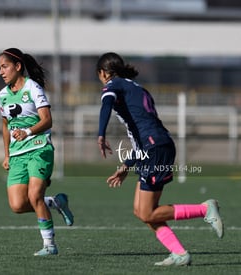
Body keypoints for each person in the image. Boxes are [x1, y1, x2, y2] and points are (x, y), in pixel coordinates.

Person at [95, 52, 224, 266]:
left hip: (154, 149)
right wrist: (127, 165)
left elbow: (106, 105)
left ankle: (205, 209)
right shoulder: (137, 88)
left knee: (147, 211)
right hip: (153, 147)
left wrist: (101, 134)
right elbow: (143, 131)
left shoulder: (113, 85)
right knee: (141, 211)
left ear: (103, 73)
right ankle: (179, 253)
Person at [0, 48, 74, 256]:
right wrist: (7, 154)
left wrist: (28, 131)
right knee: (17, 205)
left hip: (39, 149)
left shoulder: (33, 88)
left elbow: (47, 120)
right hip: (17, 154)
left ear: (18, 66)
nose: (1, 72)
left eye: (4, 67)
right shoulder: (2, 95)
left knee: (34, 195)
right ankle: (55, 202)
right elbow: (5, 126)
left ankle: (49, 245)